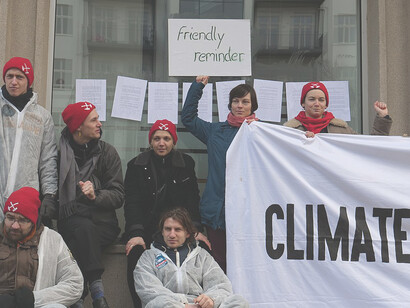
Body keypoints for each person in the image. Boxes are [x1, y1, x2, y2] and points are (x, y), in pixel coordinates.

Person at [124, 119, 210, 308]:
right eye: (156, 138)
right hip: (147, 228)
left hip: (177, 229)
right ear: (150, 141)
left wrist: (195, 229)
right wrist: (136, 233)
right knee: (135, 254)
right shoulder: (136, 165)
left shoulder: (186, 163)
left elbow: (192, 199)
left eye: (166, 138)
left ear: (174, 141)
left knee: (202, 249)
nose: (161, 143)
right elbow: (132, 202)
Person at [181, 75, 258, 272]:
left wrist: (308, 137)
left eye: (245, 101)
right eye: (235, 101)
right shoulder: (215, 132)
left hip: (249, 213)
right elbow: (188, 119)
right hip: (217, 212)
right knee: (219, 264)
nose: (240, 105)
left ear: (253, 105)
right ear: (230, 104)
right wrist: (198, 87)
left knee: (246, 266)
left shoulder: (262, 133)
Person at [57, 102, 124, 308]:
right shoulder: (58, 152)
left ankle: (78, 297)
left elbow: (119, 195)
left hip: (103, 224)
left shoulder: (107, 153)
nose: (99, 123)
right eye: (93, 120)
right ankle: (97, 292)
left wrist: (96, 195)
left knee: (83, 236)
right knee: (82, 228)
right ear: (78, 127)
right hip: (71, 219)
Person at [134, 208, 249, 308]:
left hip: (199, 305)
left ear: (188, 233)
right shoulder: (148, 257)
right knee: (159, 304)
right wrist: (183, 305)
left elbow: (222, 285)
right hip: (171, 305)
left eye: (177, 229)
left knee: (238, 302)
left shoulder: (201, 255)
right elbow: (149, 292)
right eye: (168, 229)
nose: (172, 234)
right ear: (162, 232)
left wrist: (210, 299)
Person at [0, 187, 83, 308]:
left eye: (22, 220)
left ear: (34, 221)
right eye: (10, 218)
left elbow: (74, 284)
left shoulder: (52, 240)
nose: (15, 225)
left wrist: (33, 299)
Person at [0, 57, 58, 223]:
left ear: (28, 81)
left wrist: (49, 195)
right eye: (9, 76)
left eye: (20, 77)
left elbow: (48, 159)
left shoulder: (41, 116)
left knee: (22, 246)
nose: (13, 82)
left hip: (25, 198)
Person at [284, 81, 392, 136]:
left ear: (326, 104)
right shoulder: (290, 130)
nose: (317, 104)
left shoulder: (341, 128)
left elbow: (368, 147)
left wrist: (382, 117)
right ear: (303, 103)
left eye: (321, 100)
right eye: (312, 99)